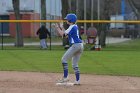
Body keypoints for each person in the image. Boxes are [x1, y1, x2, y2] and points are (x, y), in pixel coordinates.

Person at [55, 13, 84, 85]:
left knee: (64, 59)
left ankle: (65, 78)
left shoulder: (71, 27)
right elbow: (66, 35)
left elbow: (62, 34)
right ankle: (77, 81)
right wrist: (61, 27)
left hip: (75, 45)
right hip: (80, 46)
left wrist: (57, 28)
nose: (66, 20)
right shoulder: (74, 26)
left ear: (70, 20)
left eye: (67, 19)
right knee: (75, 64)